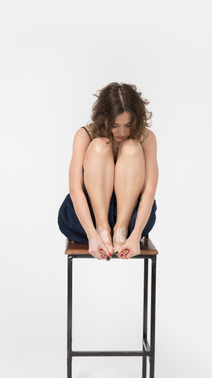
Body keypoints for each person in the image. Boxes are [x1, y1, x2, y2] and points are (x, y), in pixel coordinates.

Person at [58, 82, 158, 261]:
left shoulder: (146, 137)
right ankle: (102, 229)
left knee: (132, 147)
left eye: (128, 125)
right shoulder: (84, 135)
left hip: (133, 222)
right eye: (115, 125)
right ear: (103, 117)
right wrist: (93, 236)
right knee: (99, 145)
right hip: (87, 219)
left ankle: (121, 231)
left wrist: (135, 237)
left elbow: (149, 192)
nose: (121, 132)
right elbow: (75, 190)